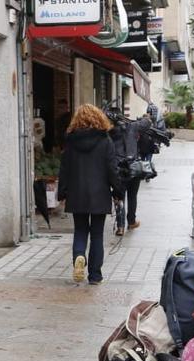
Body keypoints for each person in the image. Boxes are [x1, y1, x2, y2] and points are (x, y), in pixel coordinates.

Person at [57, 104, 123, 285]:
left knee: (80, 230)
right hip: (99, 194)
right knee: (97, 235)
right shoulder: (105, 141)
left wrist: (62, 192)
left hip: (76, 194)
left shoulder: (70, 141)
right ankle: (95, 275)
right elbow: (112, 169)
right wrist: (118, 192)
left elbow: (65, 169)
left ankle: (79, 257)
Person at [107, 107, 143, 235]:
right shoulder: (132, 127)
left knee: (119, 196)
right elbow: (147, 124)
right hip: (133, 167)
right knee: (132, 196)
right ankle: (131, 222)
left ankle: (120, 227)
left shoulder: (110, 132)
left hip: (118, 168)